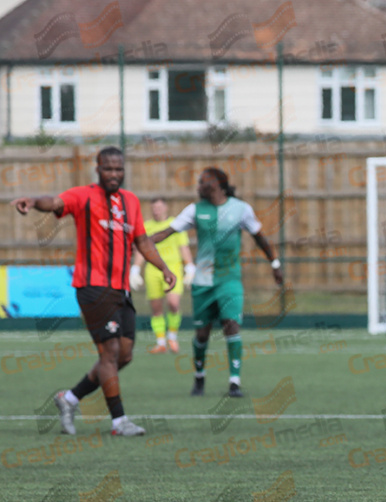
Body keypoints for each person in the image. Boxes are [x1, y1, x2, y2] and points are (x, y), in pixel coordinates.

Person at [11, 146, 177, 436]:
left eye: (119, 169)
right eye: (108, 168)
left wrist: (163, 268)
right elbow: (53, 202)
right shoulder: (83, 196)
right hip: (92, 287)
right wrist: (34, 201)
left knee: (123, 355)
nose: (114, 174)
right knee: (110, 352)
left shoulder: (131, 202)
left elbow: (142, 241)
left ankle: (69, 398)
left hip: (121, 290)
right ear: (98, 169)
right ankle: (119, 422)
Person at [150, 168, 283, 398]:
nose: (199, 186)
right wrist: (140, 241)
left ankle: (234, 382)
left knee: (231, 324)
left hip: (229, 280)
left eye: (203, 182)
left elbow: (259, 237)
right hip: (202, 283)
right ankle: (199, 377)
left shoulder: (241, 209)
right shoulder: (194, 210)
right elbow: (167, 232)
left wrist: (275, 264)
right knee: (202, 334)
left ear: (218, 185)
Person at [130, 197, 196, 353]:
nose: (156, 210)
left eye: (159, 207)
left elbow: (183, 247)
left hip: (173, 269)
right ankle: (160, 342)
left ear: (166, 208)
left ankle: (172, 338)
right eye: (154, 208)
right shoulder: (146, 226)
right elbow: (142, 249)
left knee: (173, 303)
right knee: (156, 307)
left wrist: (190, 266)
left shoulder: (175, 225)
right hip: (152, 271)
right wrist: (135, 268)